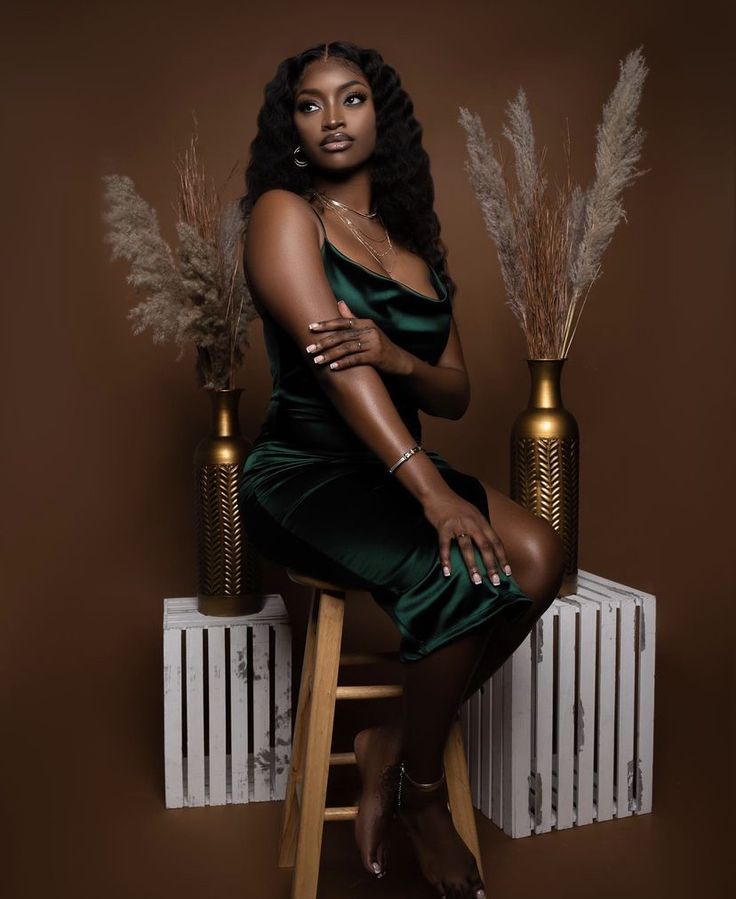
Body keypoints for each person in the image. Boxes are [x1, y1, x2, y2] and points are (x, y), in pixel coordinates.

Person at [237, 40, 565, 899]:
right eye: (311, 105)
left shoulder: (410, 246)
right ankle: (423, 797)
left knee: (537, 557)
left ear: (382, 118)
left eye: (352, 99)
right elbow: (336, 371)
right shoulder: (284, 214)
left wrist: (398, 354)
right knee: (459, 566)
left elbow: (455, 390)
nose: (334, 118)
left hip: (395, 461)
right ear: (294, 130)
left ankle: (388, 739)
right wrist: (432, 495)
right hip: (305, 472)